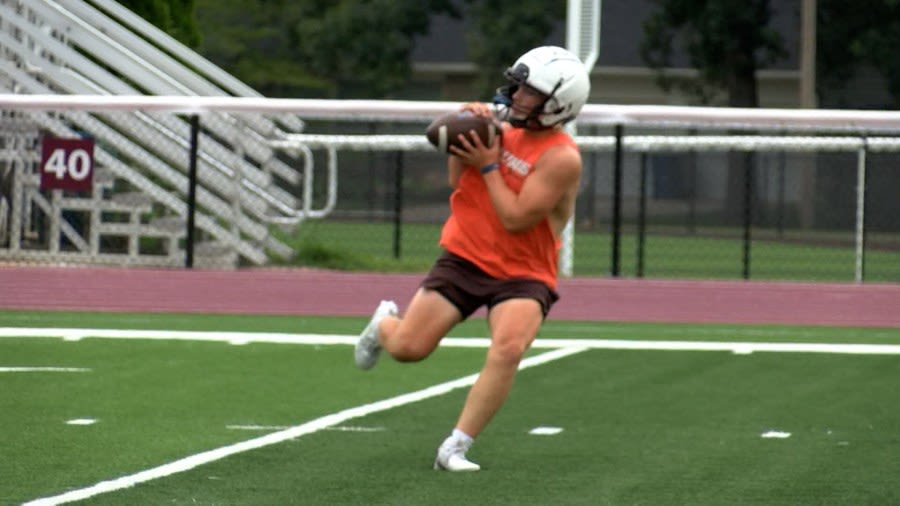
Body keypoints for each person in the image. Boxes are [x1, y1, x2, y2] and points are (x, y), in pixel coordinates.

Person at [354, 45, 591, 472]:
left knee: (509, 348)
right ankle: (384, 323)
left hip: (524, 270)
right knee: (409, 348)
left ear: (558, 104)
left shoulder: (562, 158)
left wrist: (488, 165)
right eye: (517, 85)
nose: (516, 95)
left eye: (528, 91)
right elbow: (455, 181)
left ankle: (456, 447)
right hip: (466, 255)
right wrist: (466, 135)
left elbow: (517, 219)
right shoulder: (496, 125)